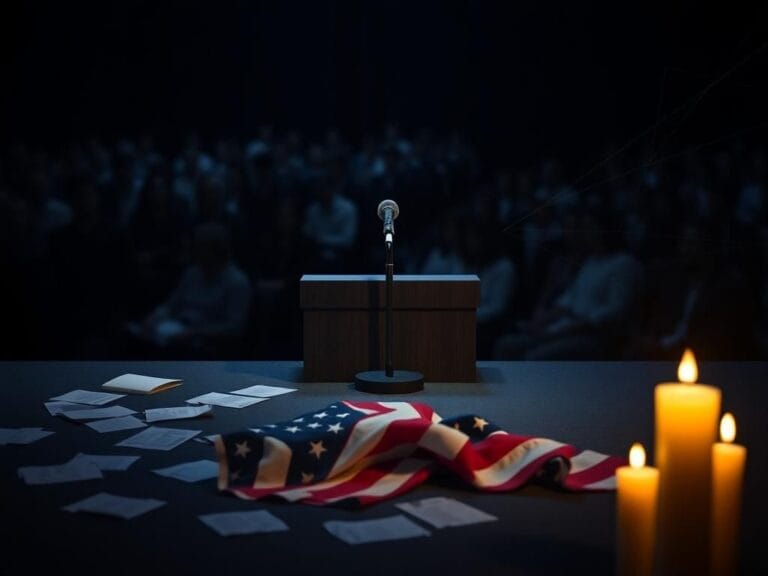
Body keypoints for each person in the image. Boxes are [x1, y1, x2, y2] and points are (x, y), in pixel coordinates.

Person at [131, 222, 252, 357]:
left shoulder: (237, 282)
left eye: (199, 248)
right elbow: (172, 304)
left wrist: (194, 333)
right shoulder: (192, 273)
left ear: (215, 250)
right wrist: (153, 318)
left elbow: (234, 328)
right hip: (176, 329)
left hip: (206, 345)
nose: (193, 252)